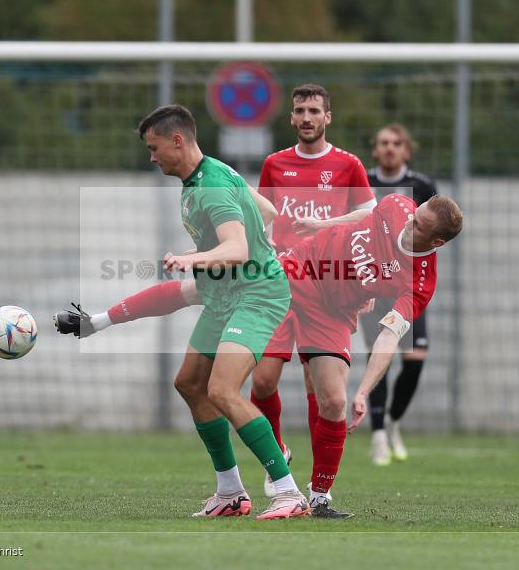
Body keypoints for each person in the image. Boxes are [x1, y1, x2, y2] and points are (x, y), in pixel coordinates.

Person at [60, 190, 464, 519]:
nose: (410, 220)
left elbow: (390, 335)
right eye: (415, 213)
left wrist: (365, 390)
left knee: (336, 400)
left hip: (334, 312)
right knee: (241, 352)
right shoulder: (397, 206)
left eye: (420, 224)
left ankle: (318, 497)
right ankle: (99, 320)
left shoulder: (421, 281)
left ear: (437, 242)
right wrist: (322, 226)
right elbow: (362, 219)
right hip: (295, 273)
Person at [58, 104, 309, 520]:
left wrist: (198, 257)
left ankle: (288, 492)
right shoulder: (211, 175)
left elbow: (240, 249)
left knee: (222, 391)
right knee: (190, 383)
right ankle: (230, 492)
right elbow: (266, 213)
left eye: (155, 148)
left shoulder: (208, 186)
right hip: (227, 292)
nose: (152, 158)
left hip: (257, 294)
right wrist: (96, 321)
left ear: (178, 140)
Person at [253, 83, 376, 499]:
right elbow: (263, 216)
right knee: (263, 381)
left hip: (327, 287)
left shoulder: (347, 165)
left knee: (319, 388)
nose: (306, 117)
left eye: (314, 111)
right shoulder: (275, 164)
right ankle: (279, 451)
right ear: (291, 118)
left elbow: (368, 218)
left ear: (328, 118)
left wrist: (365, 275)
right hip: (281, 282)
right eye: (300, 110)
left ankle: (319, 489)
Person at [359, 123, 438, 465]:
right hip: (374, 286)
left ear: (406, 150)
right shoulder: (363, 181)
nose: (389, 148)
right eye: (383, 143)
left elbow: (433, 235)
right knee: (381, 353)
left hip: (407, 287)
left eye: (395, 143)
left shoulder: (422, 186)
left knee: (415, 358)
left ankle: (392, 422)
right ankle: (377, 435)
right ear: (375, 150)